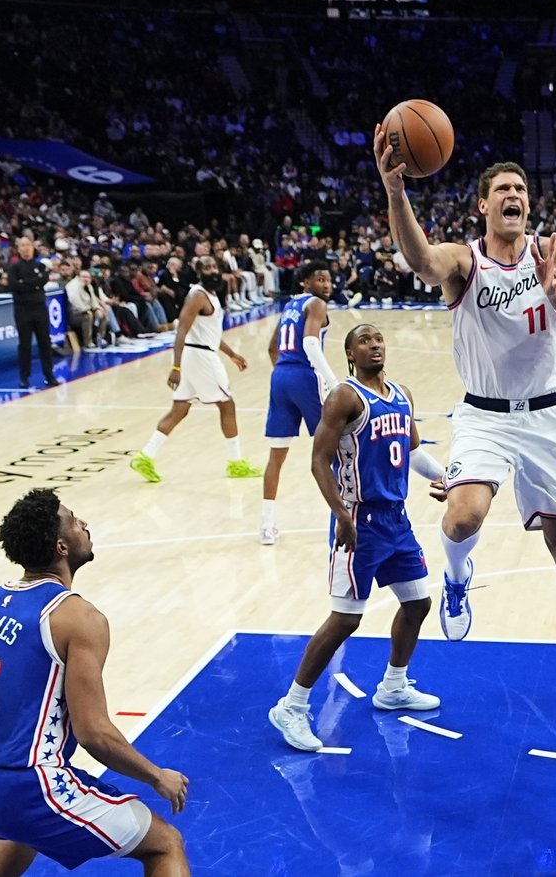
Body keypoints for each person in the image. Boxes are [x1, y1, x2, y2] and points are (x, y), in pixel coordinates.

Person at [375, 138, 556, 726]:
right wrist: (396, 191)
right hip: (483, 414)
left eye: (521, 190)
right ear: (483, 206)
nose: (514, 197)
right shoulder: (465, 261)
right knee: (462, 517)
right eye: (502, 190)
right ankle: (457, 577)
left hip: (547, 416)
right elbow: (422, 260)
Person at [0, 488, 190, 875]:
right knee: (164, 844)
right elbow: (95, 734)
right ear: (61, 547)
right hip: (26, 790)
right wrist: (158, 777)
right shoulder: (78, 618)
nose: (84, 524)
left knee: (23, 828)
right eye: (73, 520)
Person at [268, 323, 448, 751]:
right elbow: (318, 461)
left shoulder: (401, 394)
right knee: (347, 618)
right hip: (358, 521)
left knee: (418, 602)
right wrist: (340, 515)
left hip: (396, 521)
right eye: (365, 340)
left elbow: (415, 452)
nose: (375, 345)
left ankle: (393, 686)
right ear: (350, 352)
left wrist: (448, 478)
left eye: (379, 339)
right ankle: (291, 706)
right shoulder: (344, 397)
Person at [129, 255, 263, 483]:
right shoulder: (197, 296)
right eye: (207, 267)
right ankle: (236, 463)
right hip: (199, 357)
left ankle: (145, 456)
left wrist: (231, 354)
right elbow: (181, 331)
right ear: (199, 271)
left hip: (199, 353)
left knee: (179, 410)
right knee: (227, 405)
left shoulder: (209, 294)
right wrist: (175, 366)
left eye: (214, 267)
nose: (212, 271)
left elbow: (210, 334)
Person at [259, 260, 337, 545]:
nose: (326, 285)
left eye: (328, 280)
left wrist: (284, 373)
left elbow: (271, 347)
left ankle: (266, 525)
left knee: (276, 455)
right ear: (305, 281)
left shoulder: (290, 305)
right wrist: (332, 381)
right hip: (306, 376)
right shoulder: (316, 304)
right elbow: (311, 345)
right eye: (320, 279)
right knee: (338, 450)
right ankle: (346, 515)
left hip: (280, 377)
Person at [6, 236, 59, 388]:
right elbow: (15, 286)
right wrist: (34, 284)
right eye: (23, 245)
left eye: (28, 245)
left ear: (32, 247)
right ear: (19, 248)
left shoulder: (40, 266)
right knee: (25, 345)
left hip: (40, 309)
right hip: (22, 310)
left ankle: (49, 375)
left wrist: (27, 283)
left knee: (45, 343)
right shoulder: (14, 268)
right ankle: (24, 377)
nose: (26, 248)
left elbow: (43, 280)